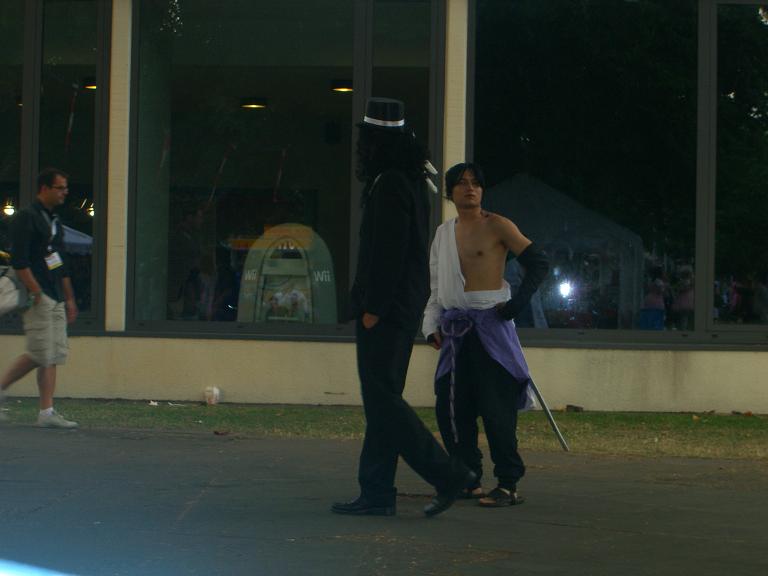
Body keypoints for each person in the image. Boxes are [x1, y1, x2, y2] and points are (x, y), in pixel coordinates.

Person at [331, 98, 475, 518]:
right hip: (399, 305)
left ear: (377, 143)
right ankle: (376, 490)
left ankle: (447, 473)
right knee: (383, 400)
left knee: (382, 400)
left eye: (367, 140)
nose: (362, 148)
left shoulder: (391, 183)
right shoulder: (405, 180)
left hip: (387, 309)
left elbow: (389, 252)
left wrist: (373, 307)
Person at [423, 162, 549, 507]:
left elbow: (539, 263)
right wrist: (430, 326)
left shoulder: (498, 225)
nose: (470, 189)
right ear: (450, 191)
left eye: (476, 183)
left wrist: (516, 304)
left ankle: (508, 483)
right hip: (455, 330)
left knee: (497, 410)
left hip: (491, 327)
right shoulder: (443, 235)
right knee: (452, 408)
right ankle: (468, 477)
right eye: (462, 183)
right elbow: (437, 288)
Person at [0, 168, 79, 428]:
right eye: (60, 188)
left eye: (66, 188)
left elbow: (59, 262)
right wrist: (35, 291)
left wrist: (69, 298)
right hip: (37, 294)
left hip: (54, 293)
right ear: (44, 188)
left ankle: (47, 412)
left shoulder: (53, 220)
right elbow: (20, 261)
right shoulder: (27, 217)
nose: (65, 192)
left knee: (52, 354)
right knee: (39, 353)